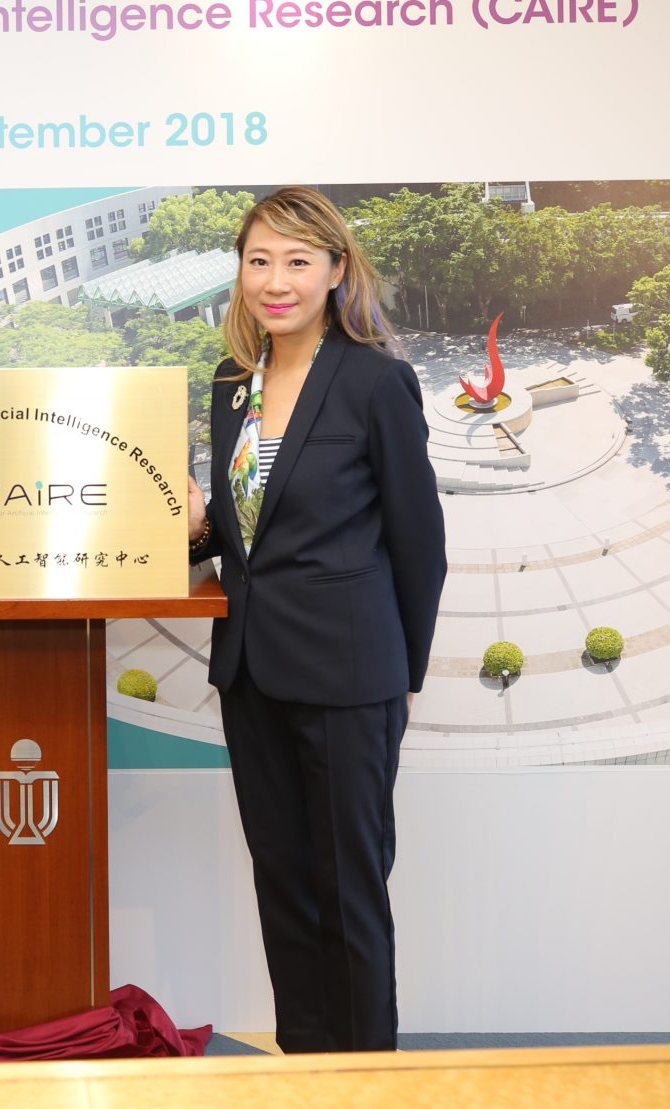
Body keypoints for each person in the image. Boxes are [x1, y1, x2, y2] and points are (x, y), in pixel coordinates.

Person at [187, 186, 446, 1054]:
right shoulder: (233, 385)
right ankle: (303, 1068)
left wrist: (402, 677)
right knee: (284, 887)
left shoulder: (376, 381)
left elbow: (420, 544)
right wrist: (198, 525)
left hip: (349, 674)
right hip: (250, 673)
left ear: (337, 271)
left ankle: (367, 1075)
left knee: (350, 890)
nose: (275, 280)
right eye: (258, 260)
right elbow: (250, 526)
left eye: (298, 260)